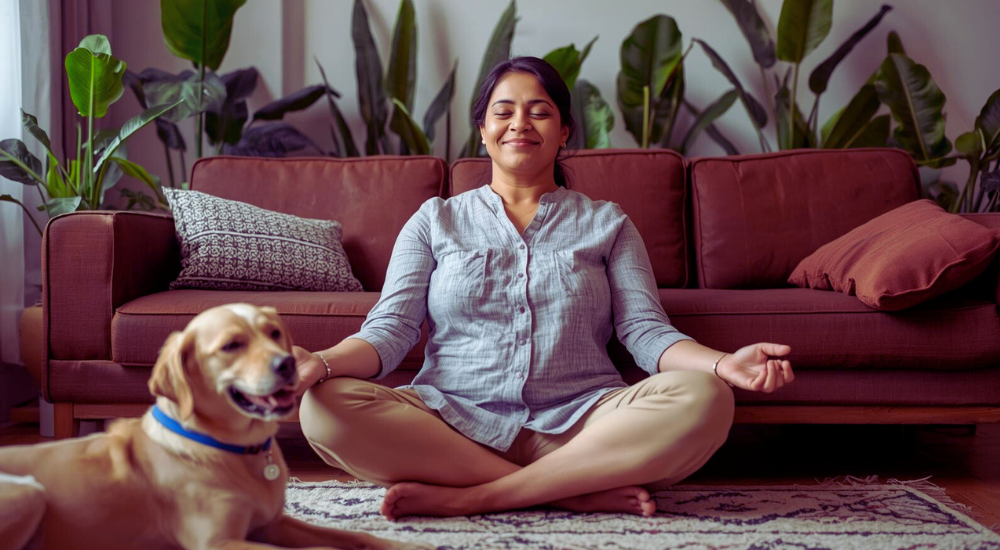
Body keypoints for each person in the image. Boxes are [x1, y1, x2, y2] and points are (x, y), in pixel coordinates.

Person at [292, 56, 794, 520]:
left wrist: (723, 364)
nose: (520, 124)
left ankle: (481, 496)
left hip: (584, 425)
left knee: (705, 396)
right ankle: (571, 491)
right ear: (483, 131)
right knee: (324, 405)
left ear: (564, 131)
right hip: (449, 425)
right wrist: (325, 360)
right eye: (503, 111)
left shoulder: (607, 223)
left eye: (539, 112)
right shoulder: (434, 220)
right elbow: (391, 330)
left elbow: (645, 332)